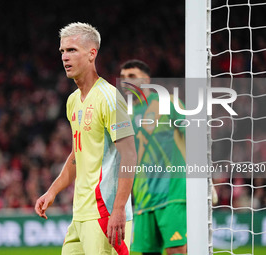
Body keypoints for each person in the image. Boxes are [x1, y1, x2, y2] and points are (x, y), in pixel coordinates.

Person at [35, 22, 137, 255]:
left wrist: (119, 209)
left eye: (72, 50)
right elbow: (76, 155)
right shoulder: (73, 101)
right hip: (80, 215)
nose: (64, 57)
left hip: (105, 213)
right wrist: (52, 191)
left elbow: (130, 155)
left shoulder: (109, 98)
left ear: (92, 54)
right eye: (62, 51)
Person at [120, 60, 187, 255]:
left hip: (172, 193)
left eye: (132, 76)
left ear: (147, 79)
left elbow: (195, 139)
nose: (126, 82)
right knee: (147, 252)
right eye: (123, 78)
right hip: (142, 198)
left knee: (176, 249)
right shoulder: (126, 115)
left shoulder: (167, 102)